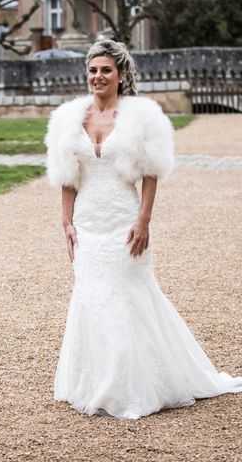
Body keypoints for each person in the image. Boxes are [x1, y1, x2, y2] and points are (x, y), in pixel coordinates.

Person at [46, 39, 242, 419]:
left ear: (121, 75)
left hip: (124, 220)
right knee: (90, 295)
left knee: (127, 295)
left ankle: (132, 387)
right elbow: (67, 176)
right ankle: (94, 382)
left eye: (105, 70)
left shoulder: (140, 117)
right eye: (92, 70)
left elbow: (151, 172)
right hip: (87, 223)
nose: (97, 76)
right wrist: (66, 221)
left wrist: (144, 220)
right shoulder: (70, 118)